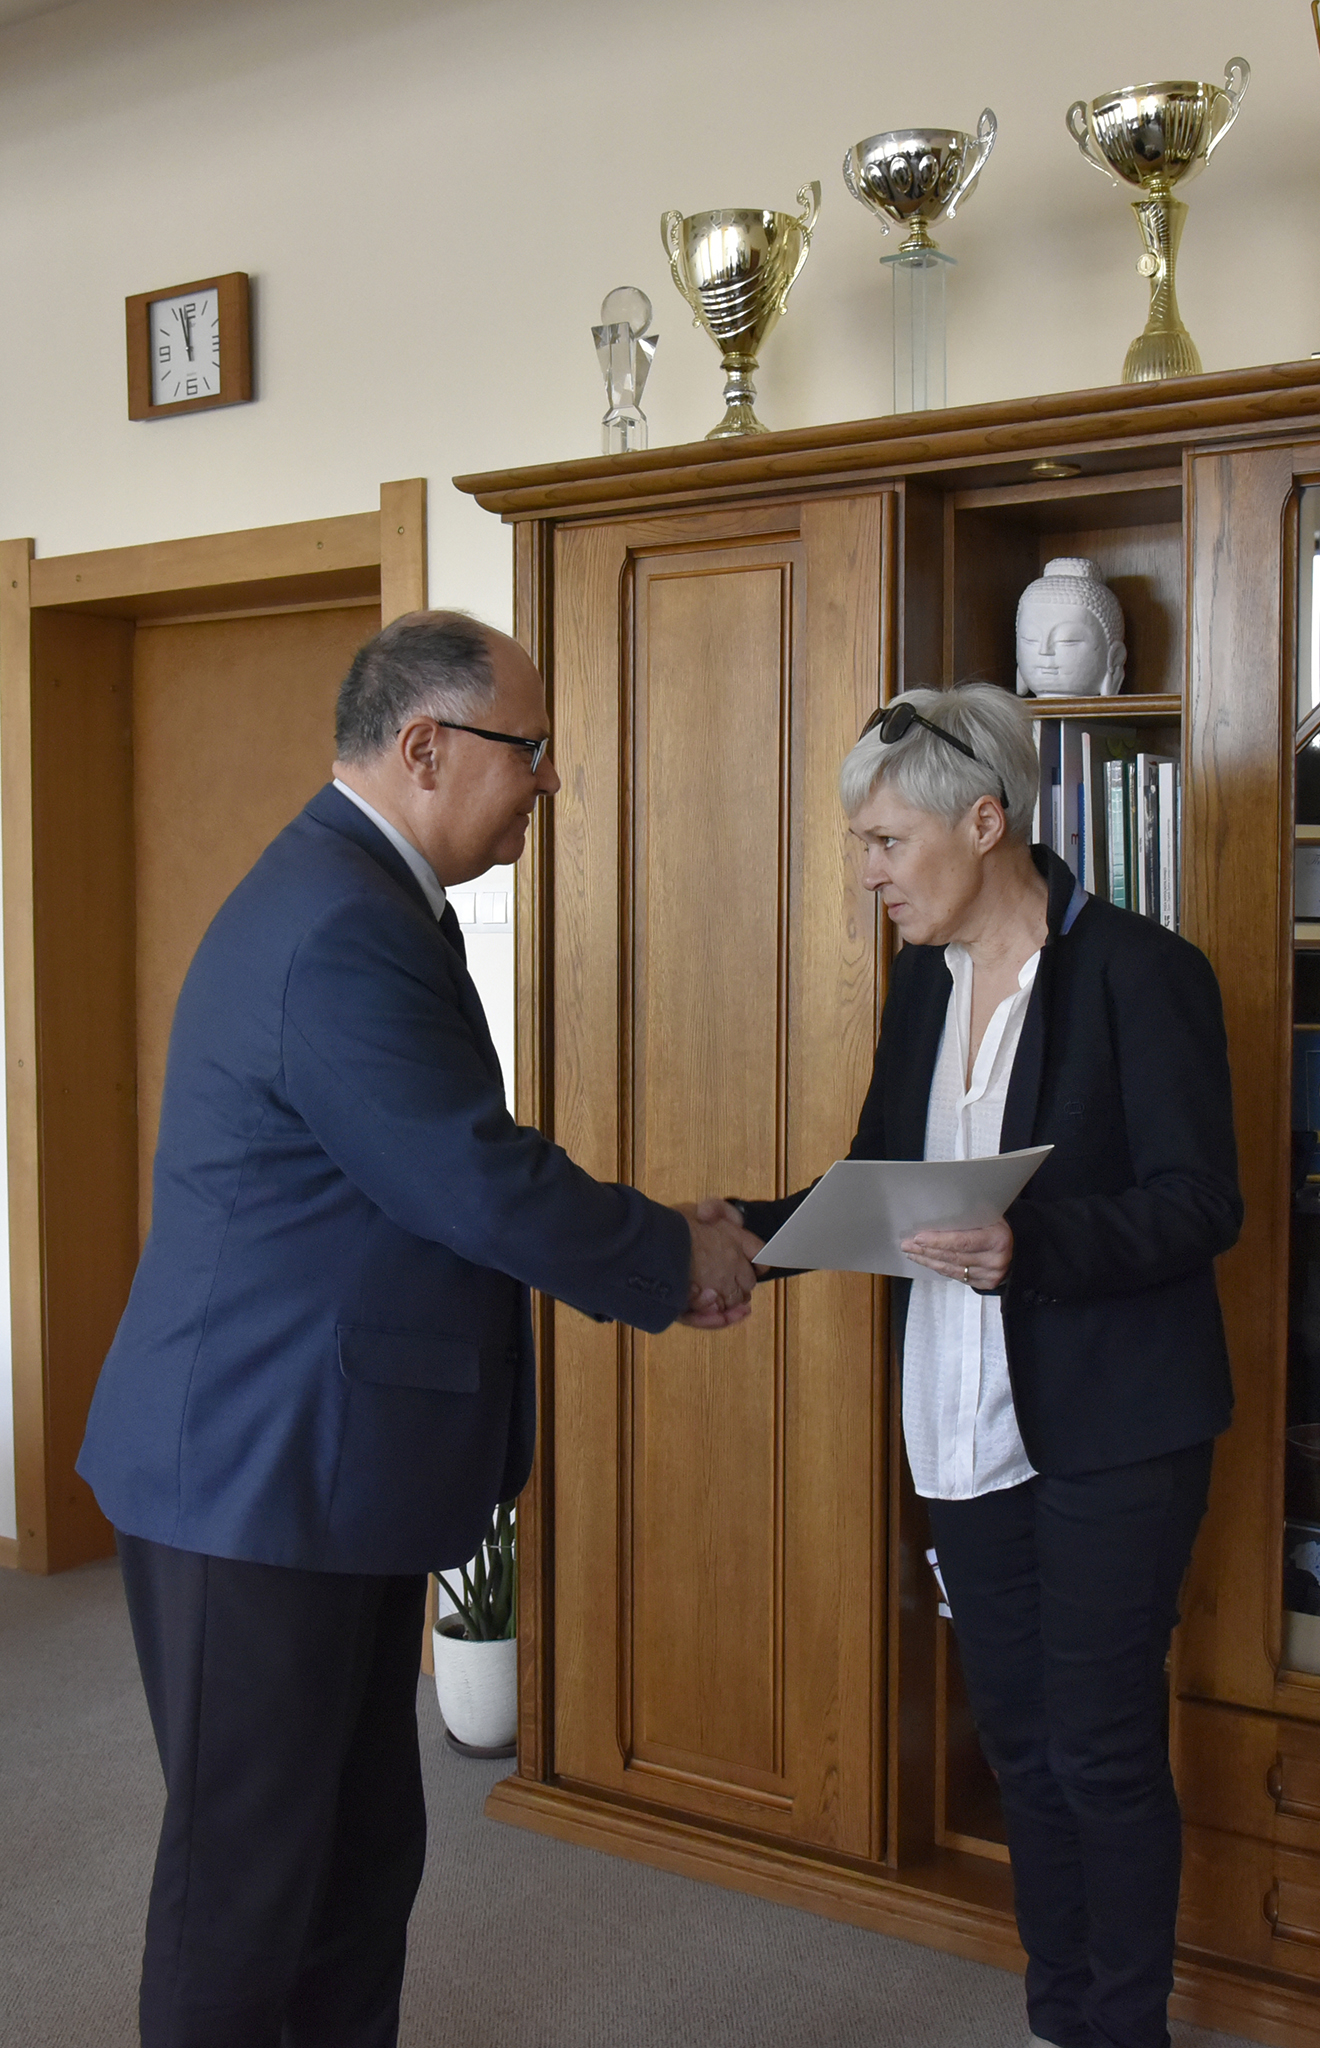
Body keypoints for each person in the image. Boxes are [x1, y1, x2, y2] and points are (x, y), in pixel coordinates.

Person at [76, 610, 760, 2048]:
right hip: (254, 1472)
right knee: (248, 1889)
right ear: (428, 747)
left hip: (322, 1469)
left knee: (355, 1857)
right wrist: (671, 1257)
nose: (550, 777)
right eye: (533, 747)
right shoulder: (337, 923)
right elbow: (471, 1176)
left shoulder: (365, 897)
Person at [707, 683, 1241, 2048]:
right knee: (1020, 1749)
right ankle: (1062, 2016)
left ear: (986, 822)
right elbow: (880, 1185)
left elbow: (1202, 1204)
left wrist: (1031, 1246)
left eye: (886, 842)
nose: (869, 873)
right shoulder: (920, 989)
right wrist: (737, 1235)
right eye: (863, 845)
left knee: (1102, 1751)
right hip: (956, 1418)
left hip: (1113, 1428)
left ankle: (1123, 2029)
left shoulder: (1144, 973)